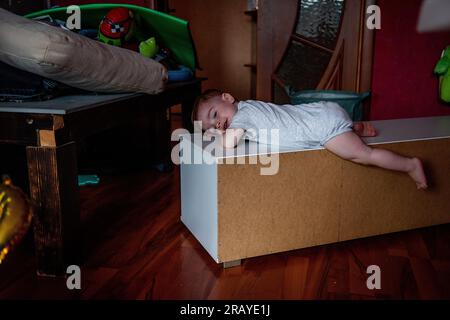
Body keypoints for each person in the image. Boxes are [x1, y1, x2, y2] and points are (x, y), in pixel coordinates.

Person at [191, 89, 428, 190]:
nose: (218, 124)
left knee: (363, 155)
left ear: (228, 98)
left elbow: (229, 143)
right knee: (344, 133)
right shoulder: (247, 107)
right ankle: (354, 127)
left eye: (215, 115)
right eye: (211, 127)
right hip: (321, 112)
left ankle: (410, 165)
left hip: (323, 128)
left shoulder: (244, 116)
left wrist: (220, 135)